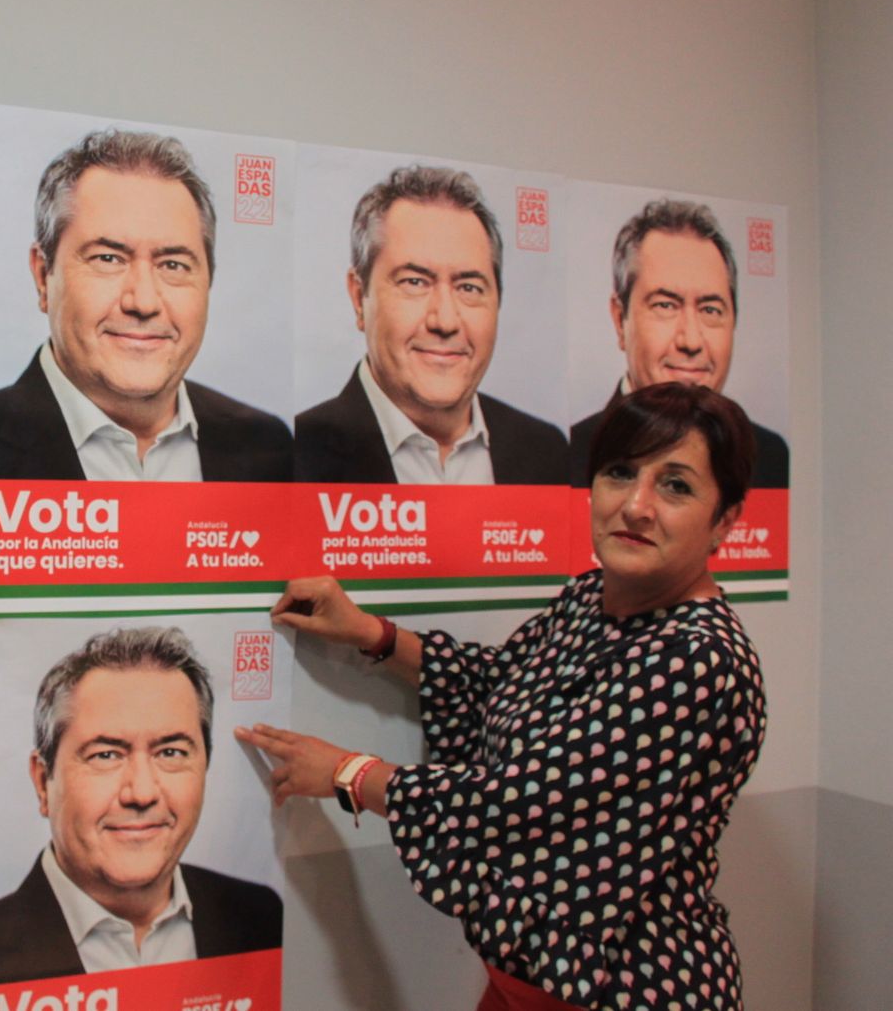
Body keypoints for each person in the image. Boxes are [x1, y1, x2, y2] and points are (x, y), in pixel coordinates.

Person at [241, 382, 766, 1010]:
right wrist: (372, 634)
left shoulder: (698, 660)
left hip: (629, 988)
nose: (636, 505)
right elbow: (501, 681)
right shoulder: (591, 597)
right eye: (620, 473)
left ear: (725, 519)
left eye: (675, 486)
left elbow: (527, 802)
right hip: (529, 984)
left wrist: (348, 773)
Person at [0, 129, 291, 482]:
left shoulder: (269, 446)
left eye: (173, 265)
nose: (143, 302)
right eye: (108, 259)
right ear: (43, 276)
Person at [0, 626, 281, 988]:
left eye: (171, 752)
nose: (141, 793)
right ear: (42, 782)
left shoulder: (260, 917)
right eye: (106, 755)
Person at [295, 165, 566, 485]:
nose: (445, 321)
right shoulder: (295, 457)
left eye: (469, 287)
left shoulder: (547, 451)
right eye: (414, 282)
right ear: (358, 297)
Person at [568, 198, 788, 488]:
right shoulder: (567, 457)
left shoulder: (770, 457)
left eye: (710, 310)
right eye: (665, 306)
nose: (691, 341)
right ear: (620, 320)